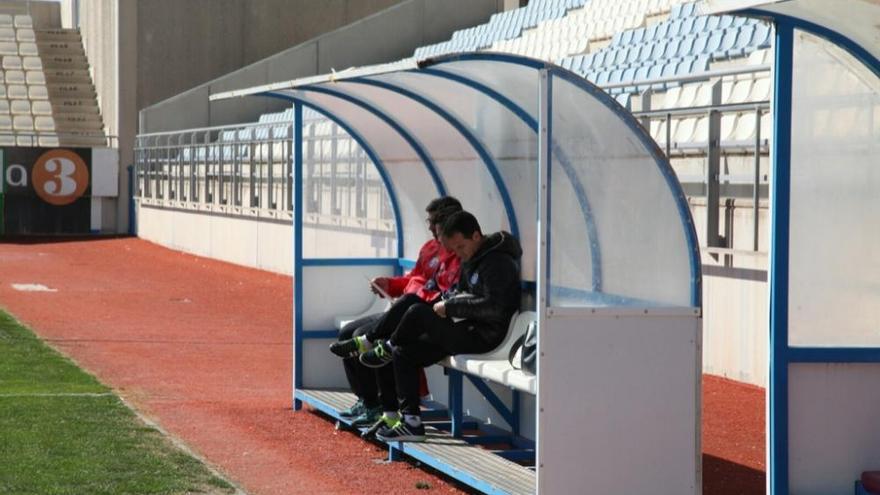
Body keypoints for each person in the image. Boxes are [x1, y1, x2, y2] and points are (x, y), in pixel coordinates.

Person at [359, 211, 522, 442]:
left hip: (485, 336)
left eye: (461, 246)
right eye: (454, 249)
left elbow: (495, 308)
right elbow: (460, 292)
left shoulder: (498, 262)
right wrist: (445, 302)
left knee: (415, 310)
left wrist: (452, 307)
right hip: (463, 328)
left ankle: (386, 345)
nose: (459, 254)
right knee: (404, 352)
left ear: (476, 236)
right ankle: (411, 423)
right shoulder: (473, 258)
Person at [329, 197, 462, 429]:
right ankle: (368, 402)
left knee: (374, 338)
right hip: (401, 307)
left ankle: (384, 408)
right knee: (348, 333)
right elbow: (413, 279)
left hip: (421, 315)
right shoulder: (429, 248)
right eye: (429, 222)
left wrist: (418, 297)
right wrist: (389, 284)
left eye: (433, 223)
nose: (430, 227)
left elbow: (444, 293)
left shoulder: (458, 253)